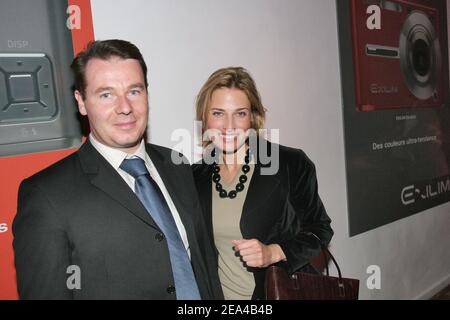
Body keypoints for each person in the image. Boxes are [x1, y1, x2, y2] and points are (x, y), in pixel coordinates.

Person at [13, 40, 222, 300]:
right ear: (81, 101)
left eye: (134, 91)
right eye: (106, 94)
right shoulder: (46, 195)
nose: (125, 108)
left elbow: (204, 265)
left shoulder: (176, 164)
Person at [192, 67, 334, 300]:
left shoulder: (289, 164)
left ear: (253, 117)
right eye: (218, 113)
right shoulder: (195, 177)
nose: (229, 125)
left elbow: (320, 230)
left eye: (240, 113)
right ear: (205, 119)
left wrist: (274, 252)